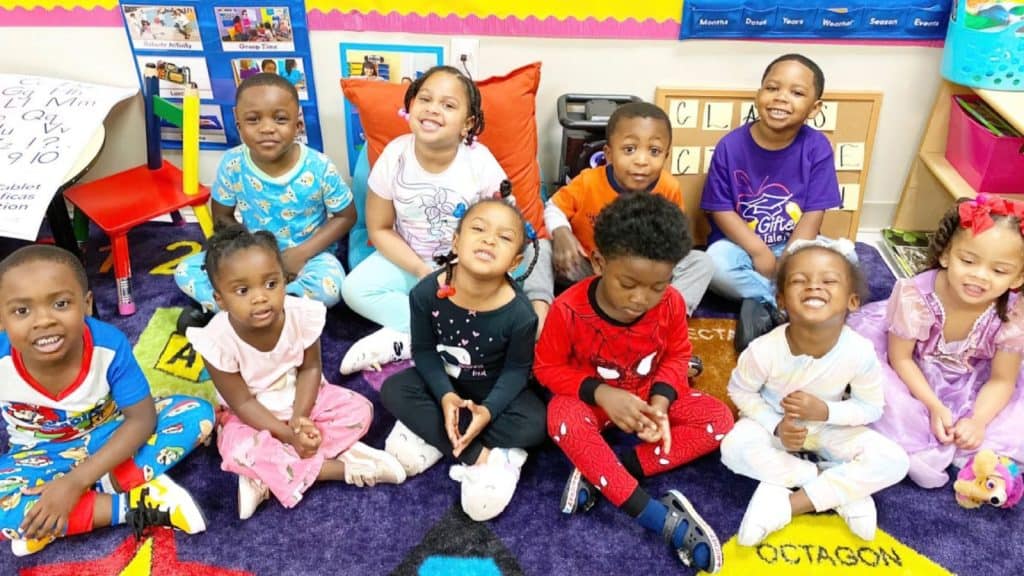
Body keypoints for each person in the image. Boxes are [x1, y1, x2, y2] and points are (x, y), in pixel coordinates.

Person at [535, 194, 733, 573]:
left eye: (658, 286)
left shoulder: (671, 303)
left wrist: (660, 403)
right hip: (594, 402)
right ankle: (663, 520)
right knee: (561, 417)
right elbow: (547, 367)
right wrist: (603, 394)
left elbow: (678, 355)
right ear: (599, 263)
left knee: (719, 420)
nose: (641, 298)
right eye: (628, 283)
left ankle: (603, 471)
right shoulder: (568, 309)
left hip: (647, 394)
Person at [0, 246, 213, 556]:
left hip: (112, 438)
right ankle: (133, 504)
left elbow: (141, 419)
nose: (43, 321)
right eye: (22, 311)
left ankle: (55, 515)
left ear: (86, 305)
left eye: (61, 304)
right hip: (36, 455)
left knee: (197, 414)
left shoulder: (108, 344)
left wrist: (76, 483)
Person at [340, 65, 552, 374]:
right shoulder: (394, 156)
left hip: (464, 266)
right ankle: (428, 337)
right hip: (408, 260)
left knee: (508, 292)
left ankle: (408, 338)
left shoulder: (480, 163)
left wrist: (466, 270)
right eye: (425, 99)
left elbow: (503, 226)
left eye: (448, 105)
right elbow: (380, 228)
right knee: (354, 290)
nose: (433, 109)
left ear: (467, 124)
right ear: (410, 106)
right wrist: (420, 270)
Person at [187, 226, 406, 520]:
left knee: (360, 410)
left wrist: (301, 419)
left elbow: (310, 368)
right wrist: (289, 435)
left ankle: (270, 475)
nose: (260, 297)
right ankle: (337, 467)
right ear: (220, 300)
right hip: (251, 414)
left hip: (301, 398)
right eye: (242, 291)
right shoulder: (216, 341)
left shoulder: (302, 314)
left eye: (271, 284)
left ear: (285, 280)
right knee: (238, 449)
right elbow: (242, 403)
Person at [720, 238, 909, 546]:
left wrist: (826, 411)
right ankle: (836, 485)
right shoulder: (763, 350)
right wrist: (776, 426)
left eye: (829, 281)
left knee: (894, 460)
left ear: (852, 301)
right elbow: (740, 392)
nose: (813, 286)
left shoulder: (860, 351)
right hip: (774, 425)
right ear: (781, 300)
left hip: (828, 426)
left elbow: (871, 407)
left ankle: (788, 504)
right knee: (733, 448)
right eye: (799, 280)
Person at [380, 199, 545, 521]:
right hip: (443, 383)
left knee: (537, 425)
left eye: (504, 237)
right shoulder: (425, 293)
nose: (489, 240)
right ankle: (479, 455)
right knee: (393, 389)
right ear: (456, 241)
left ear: (516, 261)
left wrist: (488, 410)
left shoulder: (521, 314)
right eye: (479, 229)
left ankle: (437, 432)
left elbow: (516, 371)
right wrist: (445, 396)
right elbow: (424, 351)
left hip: (492, 390)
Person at [849, 195, 1024, 491]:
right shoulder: (914, 297)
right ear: (945, 255)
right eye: (968, 261)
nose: (979, 276)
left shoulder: (1014, 313)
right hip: (910, 368)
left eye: (999, 271)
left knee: (1011, 423)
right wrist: (933, 406)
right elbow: (900, 358)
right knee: (877, 393)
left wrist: (978, 421)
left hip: (974, 378)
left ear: (1018, 277)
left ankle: (967, 441)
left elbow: (1002, 379)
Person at [174, 73, 355, 333]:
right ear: (238, 123)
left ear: (298, 124)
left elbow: (346, 216)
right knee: (185, 270)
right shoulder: (232, 163)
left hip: (307, 258)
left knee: (331, 286)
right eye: (253, 119)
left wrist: (300, 254)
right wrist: (248, 254)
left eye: (280, 119)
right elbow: (222, 216)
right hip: (252, 256)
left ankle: (237, 312)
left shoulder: (319, 167)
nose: (267, 128)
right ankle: (271, 313)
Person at [544, 101, 713, 372]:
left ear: (666, 156)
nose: (642, 161)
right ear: (609, 154)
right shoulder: (588, 181)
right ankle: (541, 323)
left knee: (702, 262)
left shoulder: (668, 186)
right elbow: (553, 207)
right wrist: (562, 233)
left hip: (642, 282)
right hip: (589, 268)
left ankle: (662, 331)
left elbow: (676, 237)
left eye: (654, 151)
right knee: (539, 249)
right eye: (630, 149)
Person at [700, 54, 841, 352]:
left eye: (797, 92)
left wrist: (790, 260)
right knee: (713, 265)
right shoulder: (730, 145)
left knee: (847, 262)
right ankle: (783, 302)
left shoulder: (817, 147)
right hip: (741, 247)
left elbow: (814, 213)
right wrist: (758, 251)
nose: (781, 98)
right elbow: (720, 209)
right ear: (758, 94)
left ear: (815, 108)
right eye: (773, 88)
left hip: (795, 245)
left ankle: (762, 303)